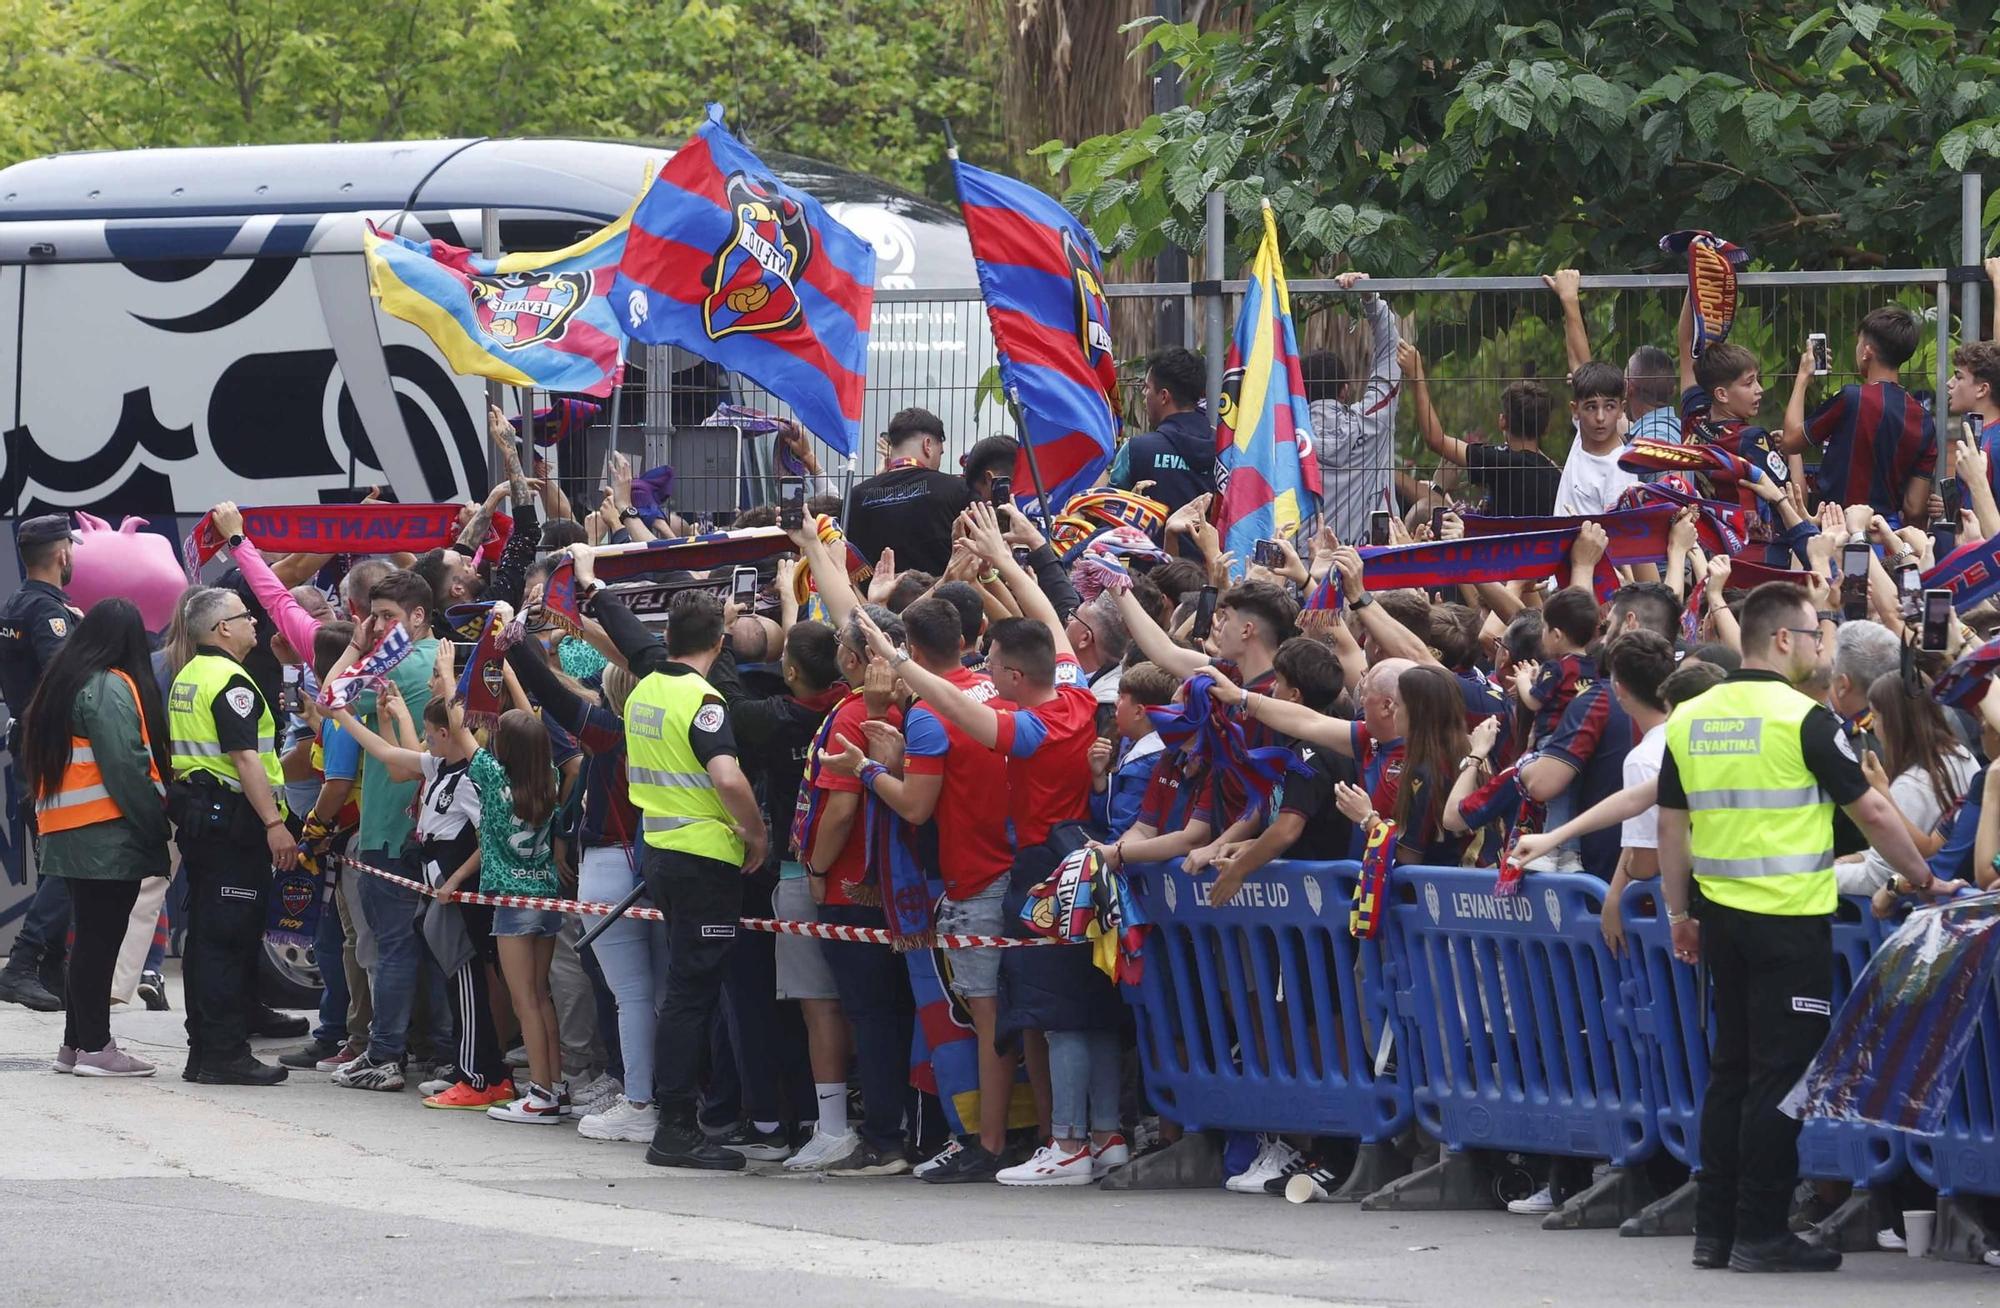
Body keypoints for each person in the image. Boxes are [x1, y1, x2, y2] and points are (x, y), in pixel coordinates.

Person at [1656, 581, 1957, 1273]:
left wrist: (1680, 912)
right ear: (1784, 640)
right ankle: (1762, 1230)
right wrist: (1921, 877)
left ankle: (1716, 1231)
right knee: (1780, 1078)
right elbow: (1875, 814)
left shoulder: (1691, 716)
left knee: (1730, 1071)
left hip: (1721, 918)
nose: (1822, 648)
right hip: (1788, 923)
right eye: (1815, 635)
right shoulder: (1806, 720)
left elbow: (1673, 826)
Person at [573, 551, 769, 1170]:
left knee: (684, 992)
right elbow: (728, 776)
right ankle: (676, 1126)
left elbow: (632, 637)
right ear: (719, 641)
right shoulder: (705, 701)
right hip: (704, 859)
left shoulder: (651, 682)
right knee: (690, 995)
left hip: (659, 851)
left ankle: (676, 1115)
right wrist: (756, 834)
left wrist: (591, 583)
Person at [22, 598, 170, 1077]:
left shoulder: (62, 684)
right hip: (107, 834)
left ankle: (75, 1045)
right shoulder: (108, 686)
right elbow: (126, 766)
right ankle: (97, 1049)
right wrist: (156, 824)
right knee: (99, 942)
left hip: (70, 833)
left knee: (87, 938)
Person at [166, 586, 299, 1086]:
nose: (254, 624)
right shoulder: (230, 681)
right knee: (225, 941)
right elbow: (246, 759)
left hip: (205, 821)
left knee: (206, 938)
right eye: (246, 617)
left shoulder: (190, 675)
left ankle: (205, 1049)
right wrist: (274, 824)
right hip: (234, 824)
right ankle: (223, 1053)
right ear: (223, 628)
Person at [324, 569, 444, 1093]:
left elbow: (329, 695)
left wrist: (355, 642)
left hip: (392, 828)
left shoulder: (403, 663)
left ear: (418, 616)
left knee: (394, 946)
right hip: (428, 828)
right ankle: (436, 1051)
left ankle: (385, 1054)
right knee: (433, 947)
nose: (376, 628)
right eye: (372, 618)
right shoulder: (439, 659)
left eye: (387, 617)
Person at [0, 512, 84, 1012]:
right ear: (62, 554)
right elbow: (63, 678)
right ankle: (24, 965)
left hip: (31, 744)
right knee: (70, 858)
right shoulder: (49, 613)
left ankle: (51, 968)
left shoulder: (15, 604)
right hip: (54, 747)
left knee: (55, 854)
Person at [1781, 308, 1935, 524]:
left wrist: (1803, 376)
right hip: (1886, 533)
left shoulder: (1852, 398)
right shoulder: (1924, 420)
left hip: (1838, 526)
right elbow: (1915, 508)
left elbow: (1790, 442)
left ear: (1867, 352)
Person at [1838, 670, 1976, 895]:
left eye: (1876, 716)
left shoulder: (1911, 786)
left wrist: (1823, 874)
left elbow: (1880, 877)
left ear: (1894, 722)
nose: (1873, 726)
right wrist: (1857, 858)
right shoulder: (1961, 755)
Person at [1403, 342, 1559, 518]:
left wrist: (1416, 375)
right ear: (1546, 429)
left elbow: (1435, 440)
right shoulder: (1556, 475)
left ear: (1502, 421)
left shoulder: (1499, 461)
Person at [1301, 272, 1400, 544]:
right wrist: (1369, 297)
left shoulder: (1286, 436)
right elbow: (1391, 350)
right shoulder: (1373, 419)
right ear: (1344, 389)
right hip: (1370, 565)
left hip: (1305, 568)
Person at [842, 407, 974, 577]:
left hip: (871, 601)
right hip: (942, 601)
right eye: (940, 453)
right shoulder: (957, 489)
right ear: (927, 445)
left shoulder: (855, 497)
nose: (939, 462)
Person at [1109, 346, 1215, 514]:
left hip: (1144, 541)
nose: (1144, 395)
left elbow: (1108, 512)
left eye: (1147, 387)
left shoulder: (1135, 450)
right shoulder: (1223, 452)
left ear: (1164, 396)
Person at [1553, 362, 1638, 515]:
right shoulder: (1583, 434)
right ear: (1575, 410)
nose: (1600, 417)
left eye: (1610, 406)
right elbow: (1576, 357)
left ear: (1621, 410)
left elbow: (1620, 535)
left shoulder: (1620, 470)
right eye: (1591, 407)